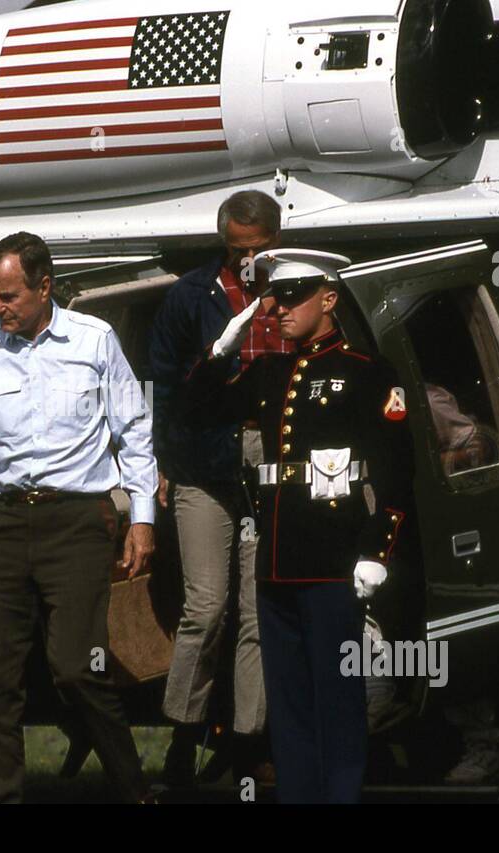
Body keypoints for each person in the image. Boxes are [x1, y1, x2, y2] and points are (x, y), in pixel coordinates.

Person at [0, 232, 157, 804]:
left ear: (44, 287)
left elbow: (133, 430)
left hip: (79, 520)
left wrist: (142, 518)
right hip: (6, 522)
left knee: (75, 669)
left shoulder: (94, 340)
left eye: (9, 295)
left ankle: (135, 790)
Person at [186, 249, 415, 803]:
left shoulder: (365, 372)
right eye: (275, 299)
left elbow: (396, 473)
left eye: (293, 297)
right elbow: (195, 408)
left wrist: (375, 551)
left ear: (328, 299)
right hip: (277, 561)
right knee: (287, 703)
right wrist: (222, 348)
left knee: (337, 695)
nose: (280, 309)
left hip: (335, 561)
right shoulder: (270, 370)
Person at [148, 190, 286, 785]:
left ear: (275, 241)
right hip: (204, 458)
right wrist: (158, 460)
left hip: (271, 456)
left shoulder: (300, 289)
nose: (248, 261)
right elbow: (163, 382)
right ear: (223, 243)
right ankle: (183, 734)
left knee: (260, 610)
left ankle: (249, 742)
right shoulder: (192, 294)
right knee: (205, 607)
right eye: (237, 251)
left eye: (258, 250)